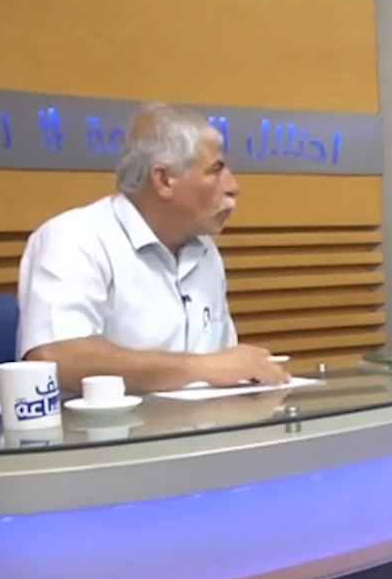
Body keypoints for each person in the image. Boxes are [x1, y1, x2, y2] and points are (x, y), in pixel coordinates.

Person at [15, 103, 290, 392]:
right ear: (164, 180)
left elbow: (225, 370)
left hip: (204, 419)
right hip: (111, 423)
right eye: (215, 171)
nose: (233, 186)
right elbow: (58, 358)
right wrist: (202, 368)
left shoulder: (204, 251)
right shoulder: (75, 239)